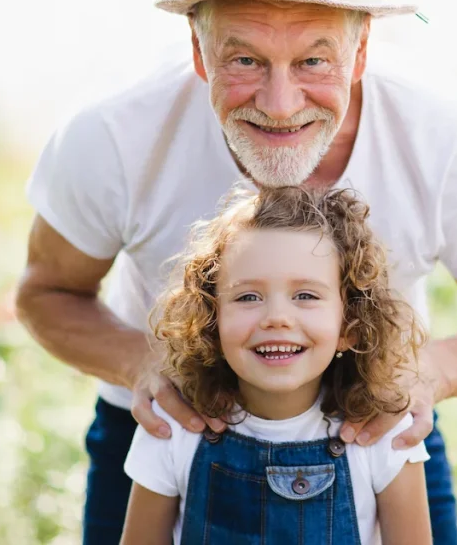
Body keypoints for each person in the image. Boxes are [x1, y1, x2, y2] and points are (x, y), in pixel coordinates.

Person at [16, 0, 457, 544]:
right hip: (166, 429)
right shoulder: (111, 136)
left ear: (361, 51)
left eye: (313, 60)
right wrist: (143, 361)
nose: (280, 104)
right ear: (198, 51)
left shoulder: (448, 138)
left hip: (374, 431)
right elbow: (47, 292)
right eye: (245, 58)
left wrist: (429, 373)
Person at [120, 186, 432, 544]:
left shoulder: (384, 437)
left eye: (306, 296)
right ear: (210, 320)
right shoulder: (172, 429)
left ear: (350, 326)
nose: (277, 318)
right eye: (248, 296)